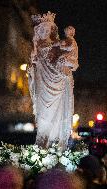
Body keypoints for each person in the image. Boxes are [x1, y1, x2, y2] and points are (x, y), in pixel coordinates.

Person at [28, 11, 78, 149]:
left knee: (55, 115)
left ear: (51, 30)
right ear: (37, 31)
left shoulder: (59, 45)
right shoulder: (35, 48)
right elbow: (31, 68)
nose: (44, 32)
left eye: (46, 29)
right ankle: (42, 140)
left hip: (57, 85)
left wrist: (64, 66)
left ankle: (52, 142)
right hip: (42, 84)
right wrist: (31, 68)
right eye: (41, 29)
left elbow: (73, 64)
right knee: (42, 114)